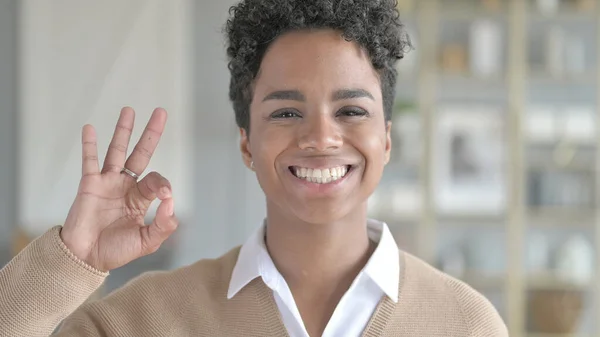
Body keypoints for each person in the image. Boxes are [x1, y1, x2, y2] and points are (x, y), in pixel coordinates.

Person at [0, 0, 508, 336]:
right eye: (286, 112)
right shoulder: (143, 321)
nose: (321, 137)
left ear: (388, 138)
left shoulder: (465, 323)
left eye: (351, 110)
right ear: (246, 143)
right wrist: (70, 257)